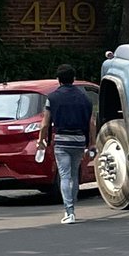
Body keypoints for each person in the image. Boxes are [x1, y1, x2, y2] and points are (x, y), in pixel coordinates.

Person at [37, 64, 95, 224]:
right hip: (79, 141)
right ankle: (73, 204)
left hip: (61, 141)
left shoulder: (53, 98)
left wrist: (41, 140)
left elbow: (45, 124)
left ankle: (69, 211)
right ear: (74, 79)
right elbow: (91, 123)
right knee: (74, 173)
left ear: (58, 80)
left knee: (64, 175)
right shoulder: (85, 98)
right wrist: (92, 143)